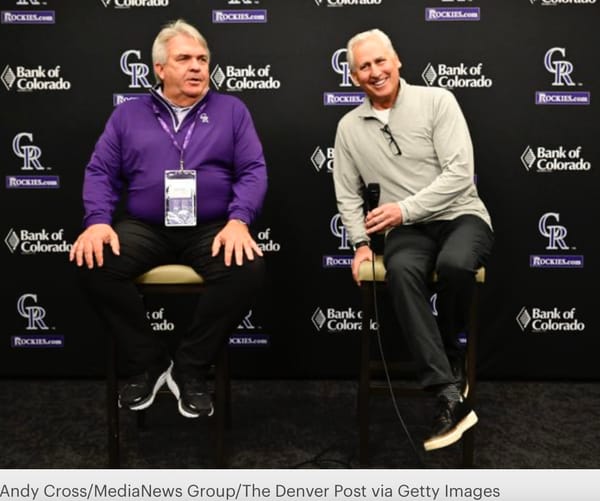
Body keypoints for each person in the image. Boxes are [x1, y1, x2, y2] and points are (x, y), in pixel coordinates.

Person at [69, 19, 267, 418]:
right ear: (160, 69)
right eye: (184, 59)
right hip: (146, 227)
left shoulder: (232, 110)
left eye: (202, 59)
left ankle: (190, 369)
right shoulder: (127, 116)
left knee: (247, 268)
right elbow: (100, 172)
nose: (196, 67)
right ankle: (150, 361)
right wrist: (97, 221)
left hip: (211, 227)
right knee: (94, 263)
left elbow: (253, 170)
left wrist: (239, 219)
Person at [333, 29, 493, 451]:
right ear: (353, 77)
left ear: (397, 60)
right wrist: (360, 244)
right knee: (401, 269)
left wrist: (404, 208)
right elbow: (348, 194)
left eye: (380, 61)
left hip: (461, 215)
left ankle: (447, 346)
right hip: (406, 233)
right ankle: (445, 392)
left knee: (458, 265)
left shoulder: (437, 101)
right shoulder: (349, 127)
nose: (375, 71)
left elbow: (460, 174)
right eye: (364, 67)